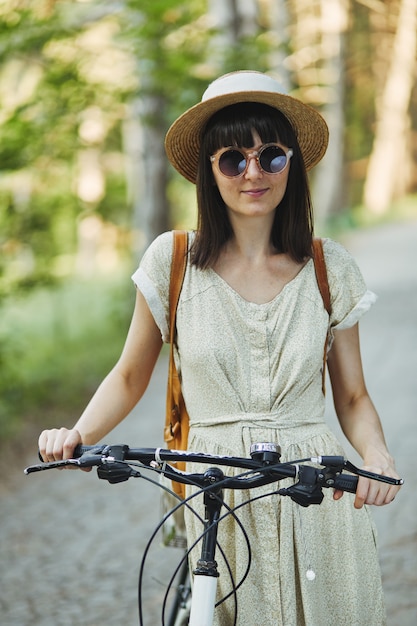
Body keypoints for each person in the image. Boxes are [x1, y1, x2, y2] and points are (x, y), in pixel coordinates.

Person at [39, 70, 401, 625]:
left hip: (316, 495)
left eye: (271, 156)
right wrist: (78, 436)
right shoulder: (174, 262)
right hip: (217, 495)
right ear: (210, 172)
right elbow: (131, 375)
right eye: (233, 158)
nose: (253, 173)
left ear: (291, 165)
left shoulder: (329, 267)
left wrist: (375, 458)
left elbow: (352, 397)